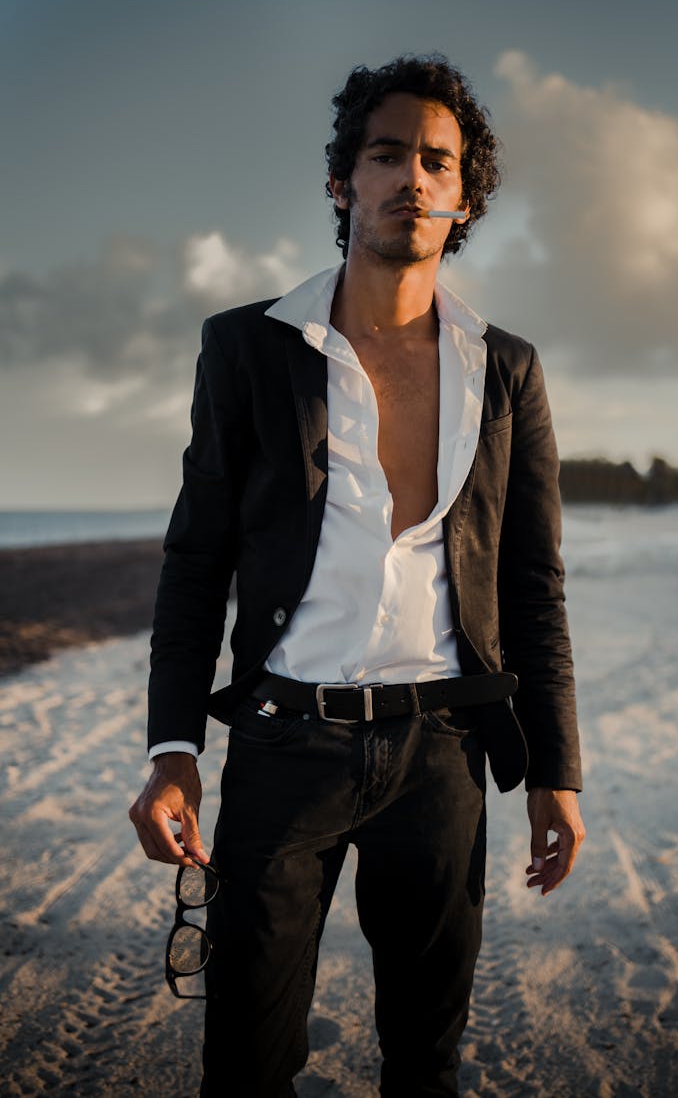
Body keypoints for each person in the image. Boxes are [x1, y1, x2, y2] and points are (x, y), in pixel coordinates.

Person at [129, 54, 585, 1097]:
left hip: (442, 752)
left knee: (425, 1057)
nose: (411, 178)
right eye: (388, 155)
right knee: (246, 1056)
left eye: (437, 160)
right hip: (286, 744)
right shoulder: (248, 349)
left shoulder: (504, 366)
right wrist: (173, 749)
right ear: (344, 181)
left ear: (464, 196)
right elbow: (197, 557)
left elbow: (533, 583)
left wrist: (557, 766)